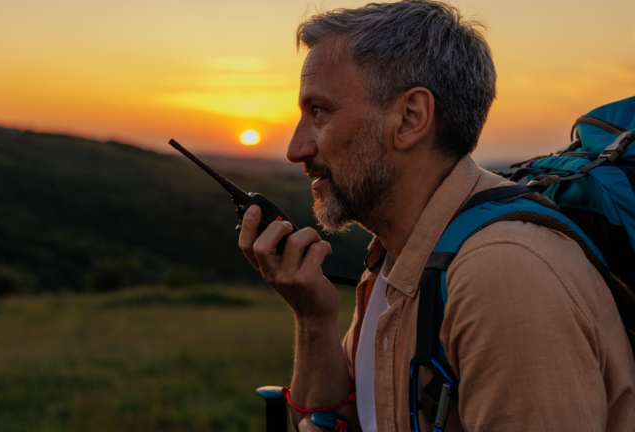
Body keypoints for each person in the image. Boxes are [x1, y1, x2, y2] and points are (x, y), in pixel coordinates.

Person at [237, 1, 635, 431]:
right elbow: (352, 420)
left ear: (410, 118)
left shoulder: (503, 275)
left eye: (319, 112)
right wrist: (314, 319)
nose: (296, 148)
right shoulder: (395, 260)